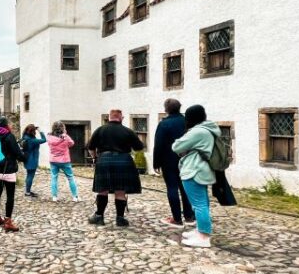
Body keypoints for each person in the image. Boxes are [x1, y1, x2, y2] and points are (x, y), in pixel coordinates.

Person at [172, 105, 219, 248]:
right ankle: (200, 231)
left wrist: (185, 146)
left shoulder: (198, 131)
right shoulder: (208, 129)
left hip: (194, 169)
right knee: (201, 203)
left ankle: (204, 236)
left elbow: (176, 146)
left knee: (199, 204)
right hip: (201, 169)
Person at [87, 109, 144, 227]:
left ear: (109, 117)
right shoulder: (128, 131)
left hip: (104, 160)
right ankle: (120, 219)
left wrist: (94, 158)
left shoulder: (100, 130)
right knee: (120, 190)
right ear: (121, 117)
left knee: (103, 189)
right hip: (123, 161)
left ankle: (99, 216)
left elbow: (91, 147)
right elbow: (139, 147)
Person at [153, 99, 195, 228]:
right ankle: (189, 216)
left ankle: (177, 219)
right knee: (185, 188)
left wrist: (156, 163)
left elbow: (158, 145)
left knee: (172, 188)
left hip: (169, 160)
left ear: (166, 109)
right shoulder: (188, 122)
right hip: (186, 159)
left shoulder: (164, 124)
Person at [0, 116, 26, 232]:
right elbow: (17, 153)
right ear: (6, 125)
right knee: (10, 195)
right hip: (8, 169)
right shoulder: (9, 136)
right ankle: (8, 221)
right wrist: (24, 156)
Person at [46, 121, 80, 202]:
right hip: (64, 160)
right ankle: (75, 197)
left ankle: (54, 196)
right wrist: (65, 135)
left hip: (53, 160)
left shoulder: (49, 136)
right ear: (62, 128)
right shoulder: (65, 137)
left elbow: (50, 144)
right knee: (70, 177)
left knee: (54, 178)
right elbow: (72, 143)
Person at [20, 124, 47, 197]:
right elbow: (44, 139)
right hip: (32, 160)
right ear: (33, 131)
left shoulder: (24, 137)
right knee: (30, 176)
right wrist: (40, 130)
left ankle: (27, 190)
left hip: (26, 159)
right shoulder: (32, 140)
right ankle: (27, 192)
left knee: (29, 175)